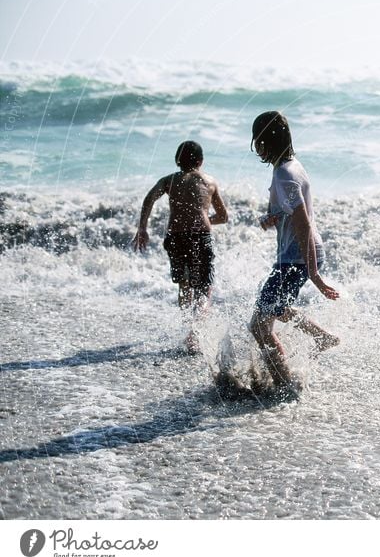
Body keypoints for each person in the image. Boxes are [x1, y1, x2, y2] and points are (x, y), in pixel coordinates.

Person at [248, 111, 339, 396]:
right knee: (269, 314)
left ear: (265, 142)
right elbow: (292, 212)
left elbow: (303, 222)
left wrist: (314, 274)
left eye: (257, 141)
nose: (256, 148)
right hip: (295, 254)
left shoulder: (284, 174)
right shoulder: (291, 166)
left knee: (260, 323)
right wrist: (272, 217)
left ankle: (285, 386)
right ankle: (318, 341)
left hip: (297, 256)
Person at [133, 140, 229, 352]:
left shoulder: (169, 181)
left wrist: (142, 228)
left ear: (177, 160)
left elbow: (149, 198)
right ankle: (195, 334)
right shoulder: (210, 182)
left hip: (175, 237)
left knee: (184, 285)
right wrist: (204, 218)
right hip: (200, 236)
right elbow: (223, 216)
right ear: (201, 161)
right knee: (204, 289)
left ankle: (187, 329)